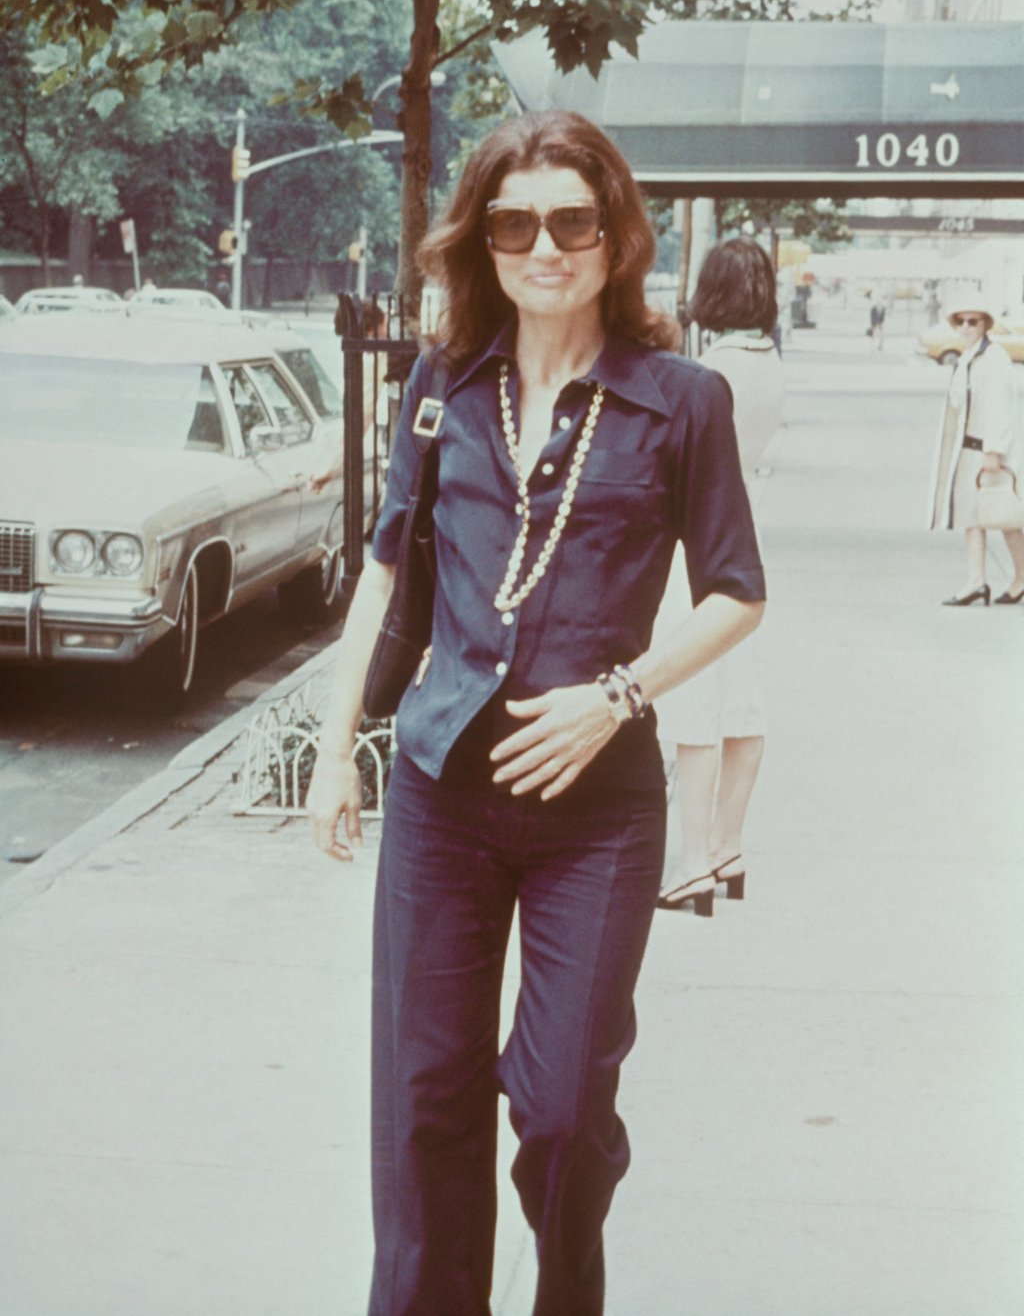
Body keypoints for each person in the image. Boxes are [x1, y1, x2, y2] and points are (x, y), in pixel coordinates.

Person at [304, 110, 766, 1316]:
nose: (543, 246)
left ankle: (567, 1291)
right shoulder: (440, 389)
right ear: (484, 240)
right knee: (424, 1097)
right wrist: (336, 744)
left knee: (559, 1108)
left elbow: (736, 594)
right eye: (516, 222)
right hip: (441, 794)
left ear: (615, 239)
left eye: (572, 220)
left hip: (595, 810)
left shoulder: (682, 401)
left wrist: (618, 695)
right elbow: (390, 570)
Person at [652, 239, 784, 914]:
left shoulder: (710, 373)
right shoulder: (769, 366)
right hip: (743, 543)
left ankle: (692, 862)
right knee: (739, 696)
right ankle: (729, 846)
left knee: (692, 706)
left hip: (691, 553)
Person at [927, 296, 1024, 605]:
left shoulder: (994, 357)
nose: (966, 327)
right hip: (969, 450)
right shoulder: (967, 357)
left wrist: (994, 450)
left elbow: (999, 407)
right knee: (971, 516)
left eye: (973, 321)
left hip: (989, 451)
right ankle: (976, 580)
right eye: (961, 321)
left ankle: (1021, 578)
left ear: (985, 324)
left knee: (1004, 516)